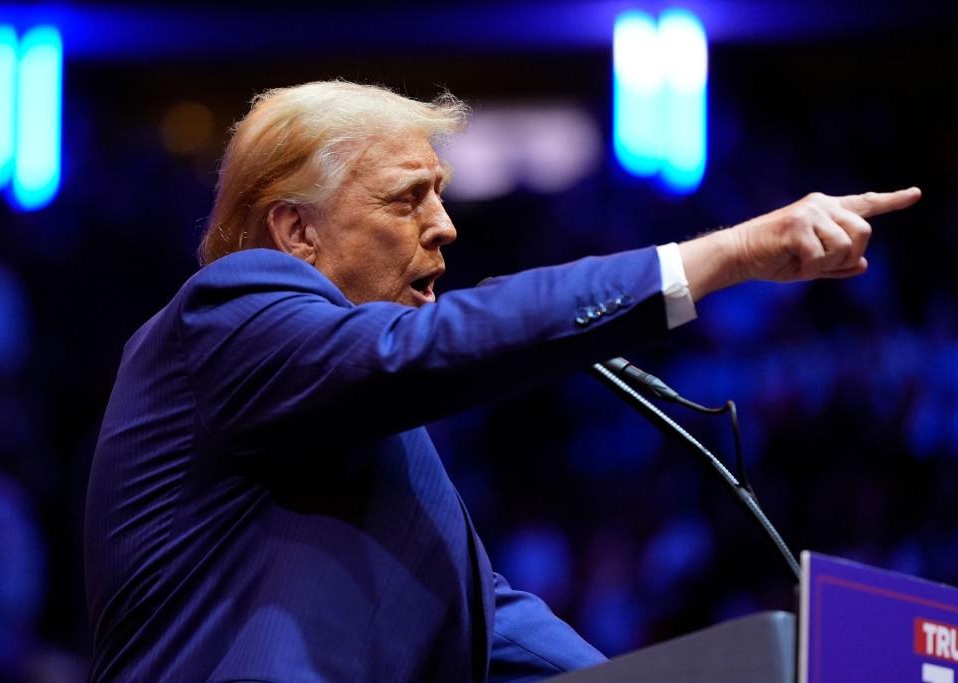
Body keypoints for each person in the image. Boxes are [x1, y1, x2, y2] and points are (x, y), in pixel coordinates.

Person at [84, 81, 921, 682]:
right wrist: (721, 257)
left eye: (440, 195)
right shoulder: (226, 315)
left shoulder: (365, 425)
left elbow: (492, 617)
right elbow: (432, 346)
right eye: (408, 199)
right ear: (296, 231)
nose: (445, 226)